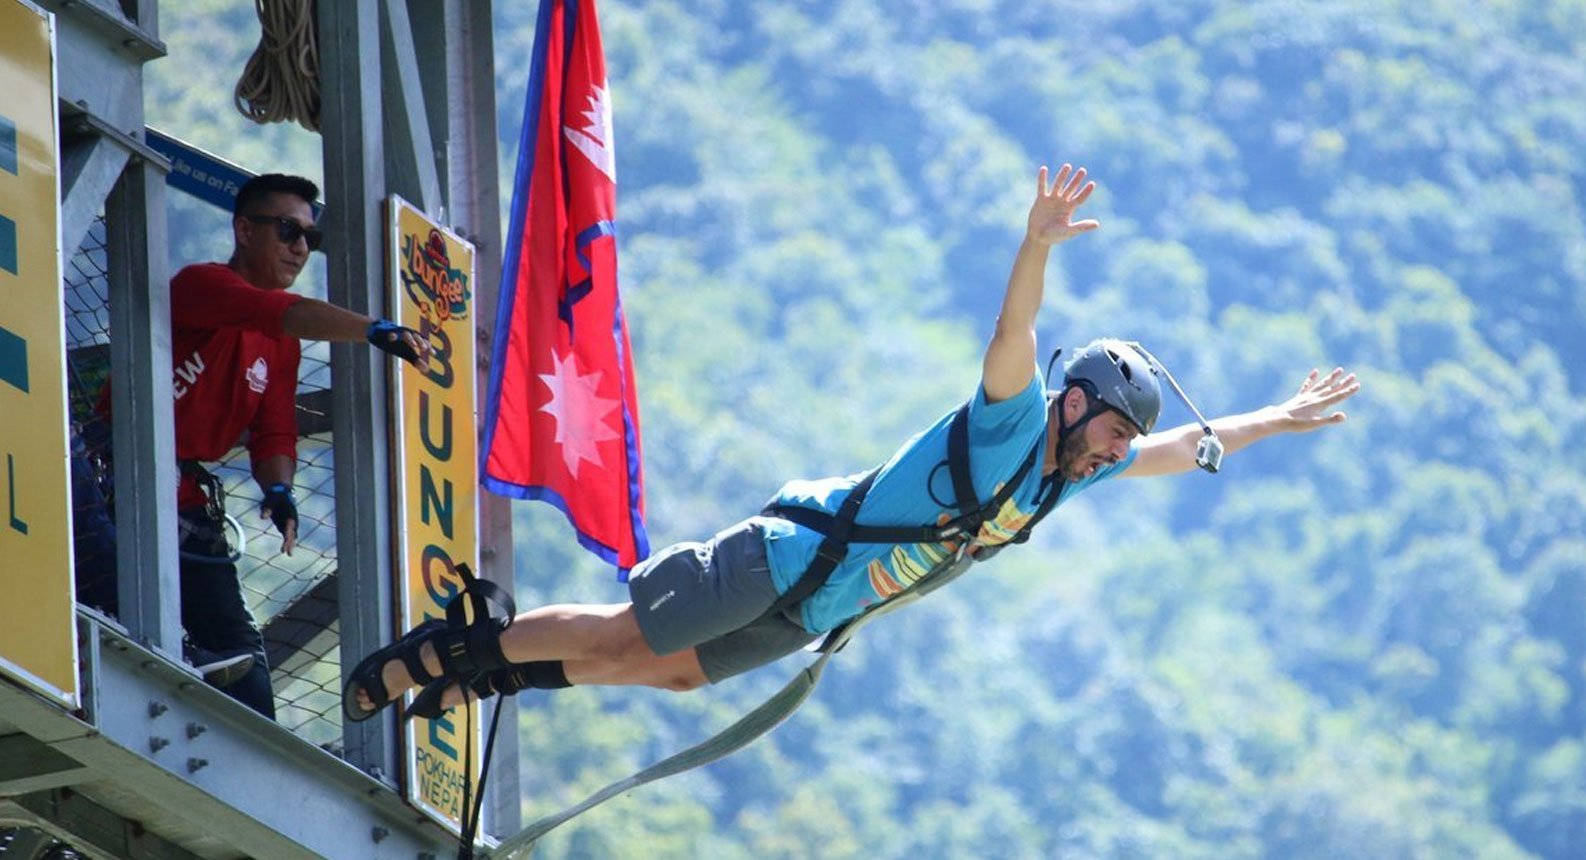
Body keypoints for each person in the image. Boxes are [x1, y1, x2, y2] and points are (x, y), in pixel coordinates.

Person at [344, 164, 1360, 719]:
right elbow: (1010, 337)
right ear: (1073, 399)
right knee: (627, 634)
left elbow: (1190, 442)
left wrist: (1278, 413)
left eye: (1120, 438)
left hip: (816, 608)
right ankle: (438, 651)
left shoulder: (1065, 481)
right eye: (1109, 424)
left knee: (671, 672)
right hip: (796, 553)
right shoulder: (1010, 422)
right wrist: (1032, 246)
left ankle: (493, 671)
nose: (1116, 446)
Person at [75, 173, 431, 719]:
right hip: (112, 472)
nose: (300, 248)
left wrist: (280, 487)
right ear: (244, 229)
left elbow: (274, 429)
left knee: (246, 667)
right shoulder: (203, 287)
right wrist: (373, 330)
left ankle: (230, 742)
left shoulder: (279, 343)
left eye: (309, 238)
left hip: (187, 497)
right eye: (289, 230)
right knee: (126, 605)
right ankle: (166, 678)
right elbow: (277, 312)